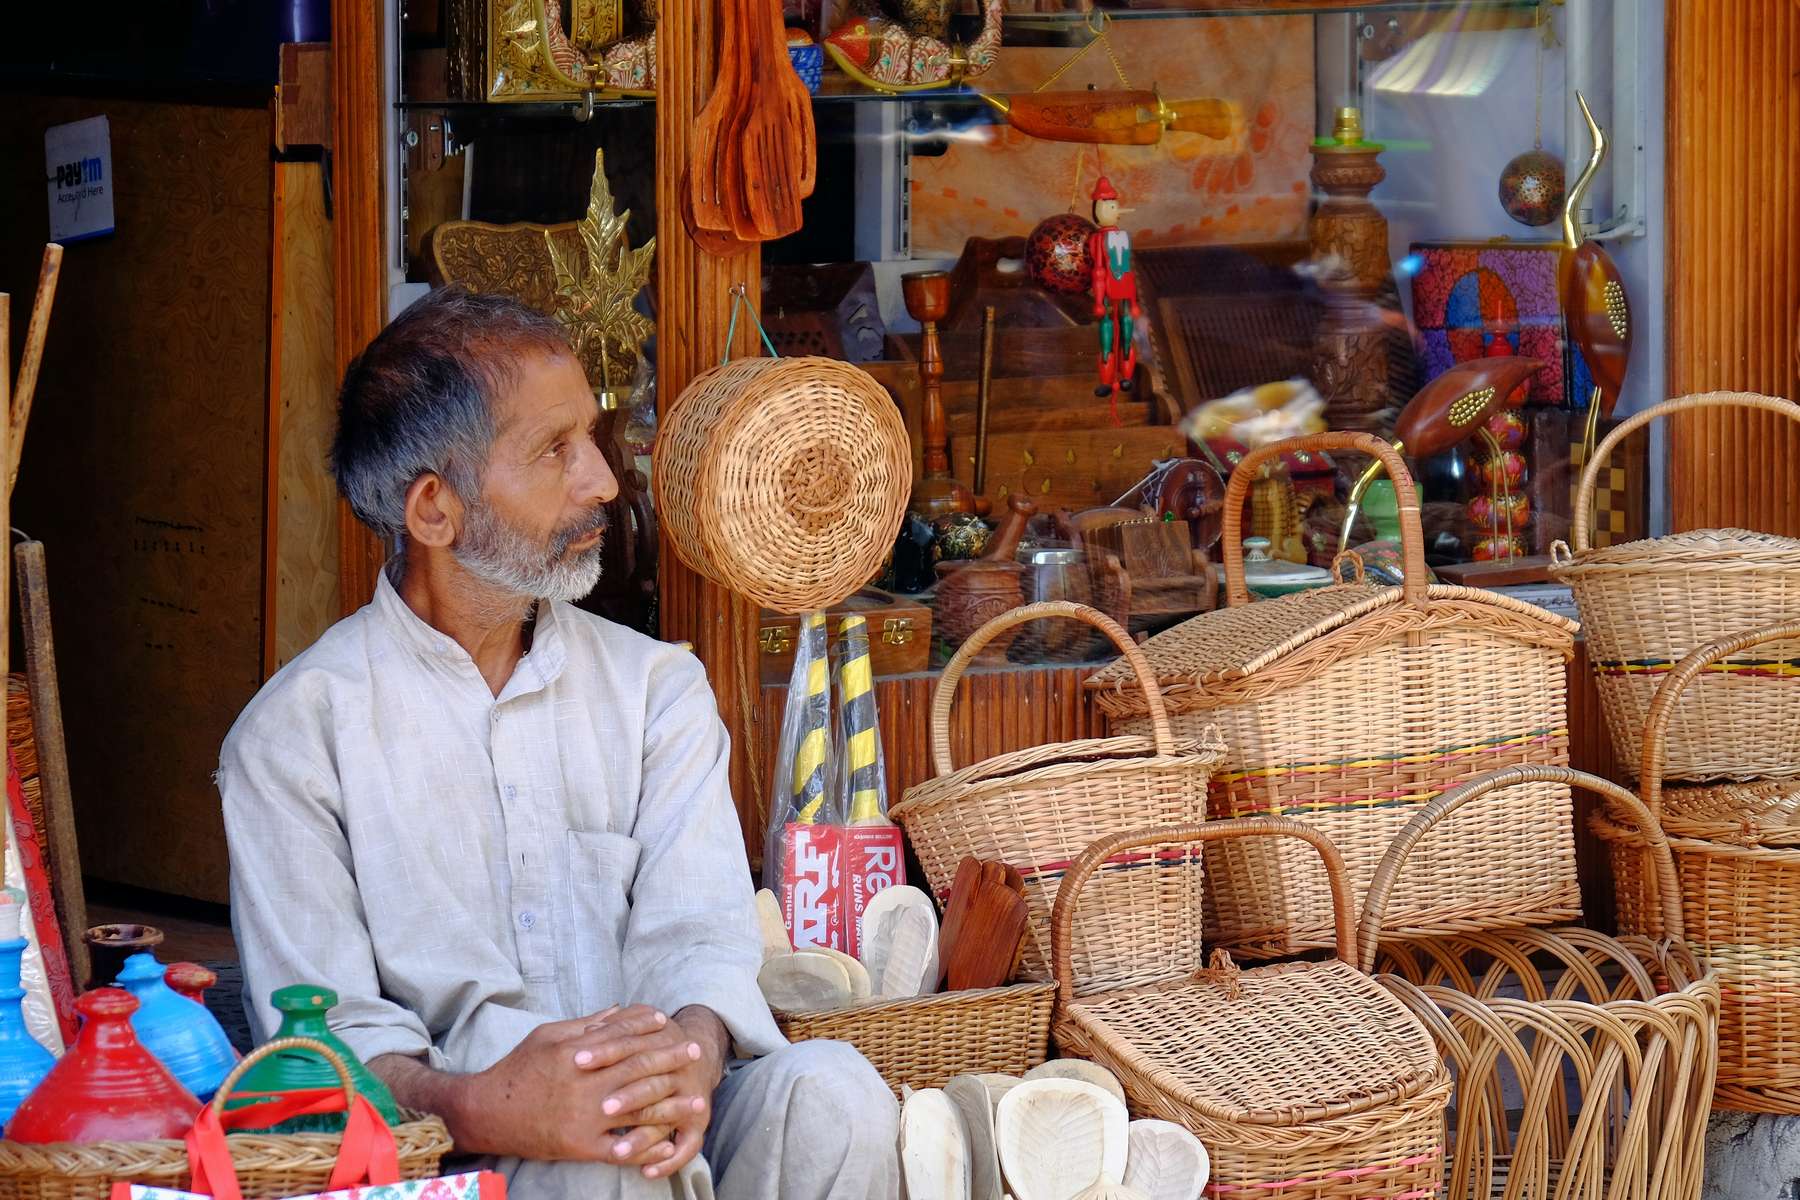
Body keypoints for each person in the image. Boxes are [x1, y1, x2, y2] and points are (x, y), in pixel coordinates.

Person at [218, 288, 899, 1200]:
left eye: (591, 438)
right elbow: (328, 1044)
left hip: (664, 1116)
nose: (604, 484)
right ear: (434, 511)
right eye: (554, 452)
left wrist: (688, 1064)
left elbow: (700, 942)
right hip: (451, 1153)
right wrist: (495, 1106)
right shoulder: (294, 739)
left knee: (837, 1095)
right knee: (597, 1168)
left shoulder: (655, 690)